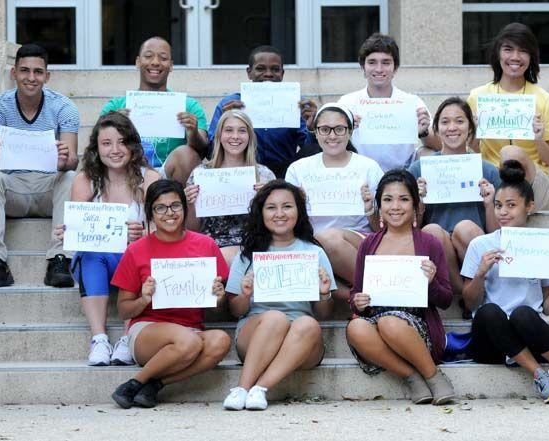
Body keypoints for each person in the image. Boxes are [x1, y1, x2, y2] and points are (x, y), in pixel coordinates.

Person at [460, 160, 549, 404]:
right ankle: (539, 375)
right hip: (491, 341)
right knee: (490, 312)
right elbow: (469, 302)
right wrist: (480, 274)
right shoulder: (480, 245)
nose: (503, 212)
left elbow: (547, 307)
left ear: (530, 206)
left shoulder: (543, 245)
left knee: (523, 314)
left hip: (528, 334)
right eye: (498, 206)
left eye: (511, 205)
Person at [110, 180, 231, 409]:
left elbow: (215, 307)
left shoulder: (206, 245)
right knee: (188, 340)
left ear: (185, 208)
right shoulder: (136, 250)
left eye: (176, 205)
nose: (169, 213)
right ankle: (134, 383)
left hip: (191, 331)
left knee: (220, 341)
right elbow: (124, 309)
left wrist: (218, 296)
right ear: (150, 213)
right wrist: (143, 299)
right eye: (160, 207)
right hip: (147, 331)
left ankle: (154, 384)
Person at [55, 112, 160, 366]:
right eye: (106, 143)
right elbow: (82, 232)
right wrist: (70, 231)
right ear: (96, 148)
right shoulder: (86, 180)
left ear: (133, 146)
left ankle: (127, 337)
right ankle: (99, 339)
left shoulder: (150, 179)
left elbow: (163, 232)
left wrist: (142, 235)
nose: (115, 150)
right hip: (99, 263)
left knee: (137, 250)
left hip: (137, 263)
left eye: (122, 142)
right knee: (91, 254)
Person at [222, 180, 336, 411]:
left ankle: (259, 389)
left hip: (301, 339)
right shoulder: (247, 255)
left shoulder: (314, 252)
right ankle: (241, 389)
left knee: (307, 322)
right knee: (275, 318)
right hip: (257, 333)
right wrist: (245, 295)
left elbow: (323, 315)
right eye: (271, 207)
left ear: (298, 211)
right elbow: (235, 310)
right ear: (261, 213)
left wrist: (323, 294)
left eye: (287, 206)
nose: (279, 214)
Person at [346, 169, 455, 405]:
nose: (395, 206)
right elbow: (355, 292)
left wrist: (432, 281)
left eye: (403, 199)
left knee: (390, 321)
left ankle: (434, 376)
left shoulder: (429, 243)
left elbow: (446, 299)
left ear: (415, 205)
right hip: (377, 324)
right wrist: (358, 301)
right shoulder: (369, 244)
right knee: (355, 328)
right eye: (388, 200)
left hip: (417, 327)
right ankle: (412, 377)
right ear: (379, 206)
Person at [0, 44, 79, 289]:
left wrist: (65, 159)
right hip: (13, 190)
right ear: (13, 73)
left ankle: (59, 259)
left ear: (47, 76)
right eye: (24, 71)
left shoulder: (64, 107)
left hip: (48, 188)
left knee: (72, 177)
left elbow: (73, 160)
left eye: (38, 72)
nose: (31, 78)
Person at [285, 103, 383, 301]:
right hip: (309, 243)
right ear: (316, 132)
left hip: (357, 240)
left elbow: (381, 227)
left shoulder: (368, 167)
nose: (332, 136)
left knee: (327, 238)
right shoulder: (298, 169)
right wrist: (297, 207)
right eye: (325, 129)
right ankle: (367, 300)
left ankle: (377, 289)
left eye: (339, 129)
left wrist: (369, 208)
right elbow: (287, 224)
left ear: (350, 131)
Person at [408, 97, 501, 297]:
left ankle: (474, 291)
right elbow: (409, 229)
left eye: (459, 121)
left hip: (474, 245)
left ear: (470, 128)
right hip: (438, 251)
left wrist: (488, 205)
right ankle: (464, 293)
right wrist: (418, 202)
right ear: (436, 128)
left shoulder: (488, 171)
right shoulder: (419, 170)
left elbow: (499, 233)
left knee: (465, 227)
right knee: (431, 230)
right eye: (445, 122)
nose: (452, 128)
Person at [467, 22, 549, 212]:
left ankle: (505, 207)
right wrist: (477, 134)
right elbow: (472, 151)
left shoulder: (545, 100)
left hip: (533, 184)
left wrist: (538, 139)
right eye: (508, 49)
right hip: (492, 181)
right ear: (498, 54)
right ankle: (501, 209)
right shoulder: (478, 97)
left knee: (512, 153)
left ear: (531, 57)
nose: (515, 57)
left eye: (523, 51)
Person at [101, 36, 208, 183]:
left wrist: (193, 132)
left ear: (171, 65)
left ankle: (179, 204)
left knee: (186, 154)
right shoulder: (116, 106)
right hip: (127, 171)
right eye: (148, 56)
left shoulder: (188, 106)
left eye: (163, 58)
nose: (155, 62)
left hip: (169, 175)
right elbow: (97, 146)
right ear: (138, 62)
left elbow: (203, 151)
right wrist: (114, 123)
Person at [207, 45, 316, 178]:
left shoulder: (297, 104)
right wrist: (226, 121)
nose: (268, 74)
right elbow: (211, 152)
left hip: (285, 172)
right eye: (260, 68)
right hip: (242, 171)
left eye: (275, 69)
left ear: (282, 74)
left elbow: (310, 150)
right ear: (249, 72)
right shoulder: (230, 104)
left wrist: (313, 128)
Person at [184, 110, 275, 267]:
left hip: (256, 245)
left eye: (242, 131)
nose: (235, 136)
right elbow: (192, 230)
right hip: (211, 246)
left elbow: (276, 226)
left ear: (250, 137)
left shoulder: (264, 174)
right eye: (229, 130)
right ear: (219, 135)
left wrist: (270, 201)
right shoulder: (201, 174)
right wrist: (190, 204)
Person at [338, 33, 439, 172]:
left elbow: (439, 146)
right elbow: (330, 144)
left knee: (429, 155)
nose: (379, 69)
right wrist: (344, 130)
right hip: (359, 172)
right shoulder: (347, 103)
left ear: (395, 68)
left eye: (386, 62)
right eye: (372, 62)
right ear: (363, 67)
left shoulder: (412, 102)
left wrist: (424, 132)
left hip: (403, 173)